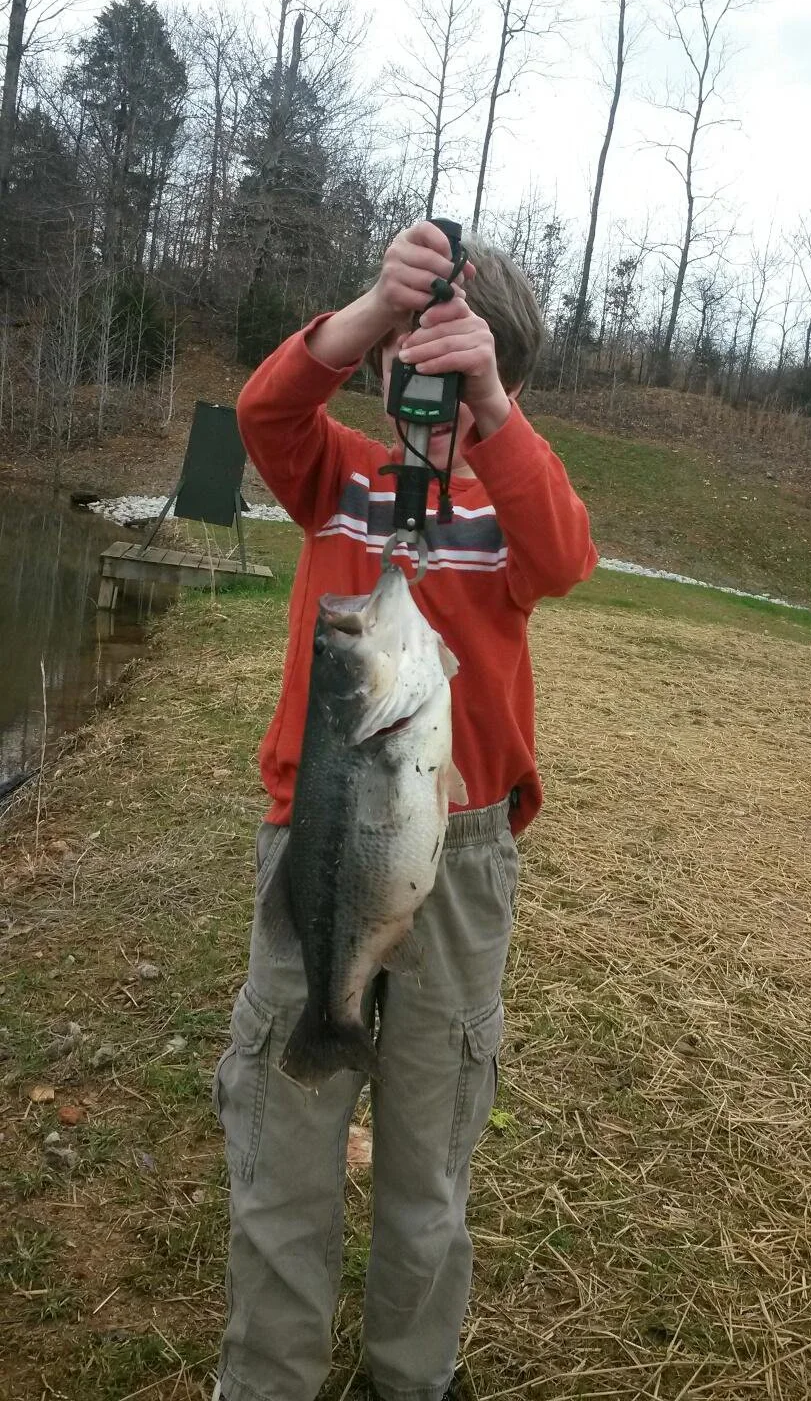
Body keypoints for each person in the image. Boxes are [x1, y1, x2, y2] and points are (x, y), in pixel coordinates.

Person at [212, 221, 597, 1401]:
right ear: (378, 371)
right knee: (284, 1153)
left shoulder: (509, 505)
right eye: (404, 371)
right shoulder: (336, 478)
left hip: (460, 857)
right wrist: (374, 310)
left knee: (429, 1160)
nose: (425, 405)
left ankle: (410, 1378)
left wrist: (493, 412)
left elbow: (565, 557)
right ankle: (267, 1381)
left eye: (456, 383)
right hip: (322, 840)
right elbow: (266, 412)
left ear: (499, 385)